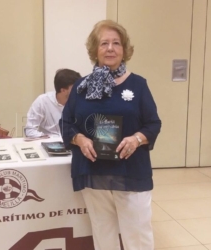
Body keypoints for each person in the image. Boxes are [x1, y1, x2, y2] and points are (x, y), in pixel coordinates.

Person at [59, 20, 161, 250]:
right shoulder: (81, 87)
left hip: (130, 172)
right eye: (104, 43)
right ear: (95, 49)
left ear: (124, 49)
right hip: (93, 172)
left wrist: (136, 139)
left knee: (137, 235)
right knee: (103, 233)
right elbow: (66, 123)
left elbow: (153, 124)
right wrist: (79, 139)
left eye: (116, 43)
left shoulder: (138, 85)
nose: (110, 48)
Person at [25, 69, 81, 137]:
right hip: (50, 143)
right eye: (75, 87)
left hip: (74, 143)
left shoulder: (81, 101)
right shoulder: (42, 101)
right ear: (63, 90)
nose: (79, 90)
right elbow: (30, 130)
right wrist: (51, 139)